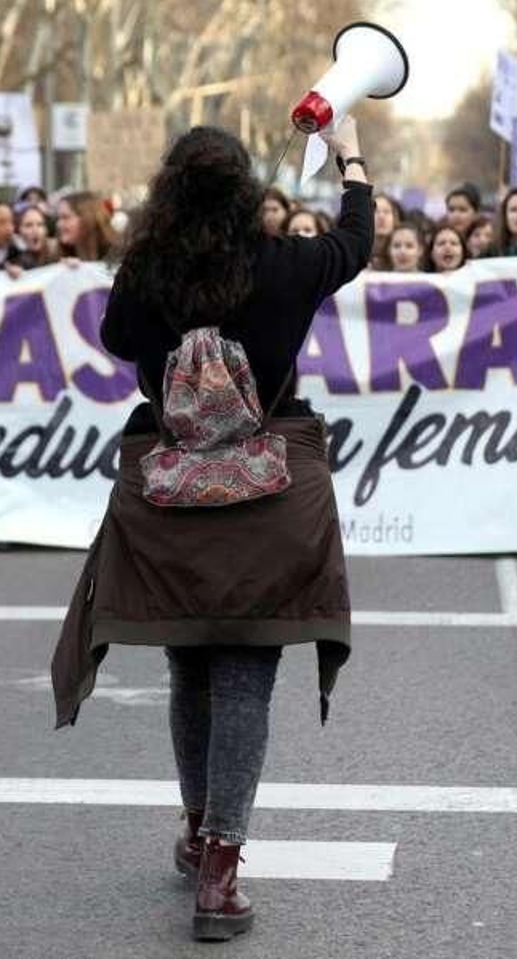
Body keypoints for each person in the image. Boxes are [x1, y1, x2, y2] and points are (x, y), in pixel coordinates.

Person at [53, 120, 371, 943]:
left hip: (169, 495)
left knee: (188, 665)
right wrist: (351, 157)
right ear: (246, 194)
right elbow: (355, 244)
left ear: (168, 193)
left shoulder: (148, 272)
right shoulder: (284, 265)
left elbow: (115, 338)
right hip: (268, 496)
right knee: (244, 677)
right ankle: (222, 871)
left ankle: (197, 830)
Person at [56, 192, 116, 262]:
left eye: (66, 217)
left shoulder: (116, 253)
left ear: (88, 218)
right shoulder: (61, 255)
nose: (59, 224)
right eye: (58, 218)